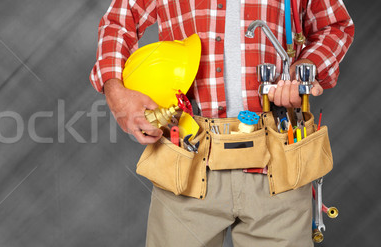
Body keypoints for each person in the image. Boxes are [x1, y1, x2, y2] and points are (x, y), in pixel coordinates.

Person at [89, 0, 354, 246]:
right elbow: (118, 21)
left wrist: (305, 68)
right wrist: (116, 92)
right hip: (188, 158)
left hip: (277, 160)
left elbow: (335, 26)